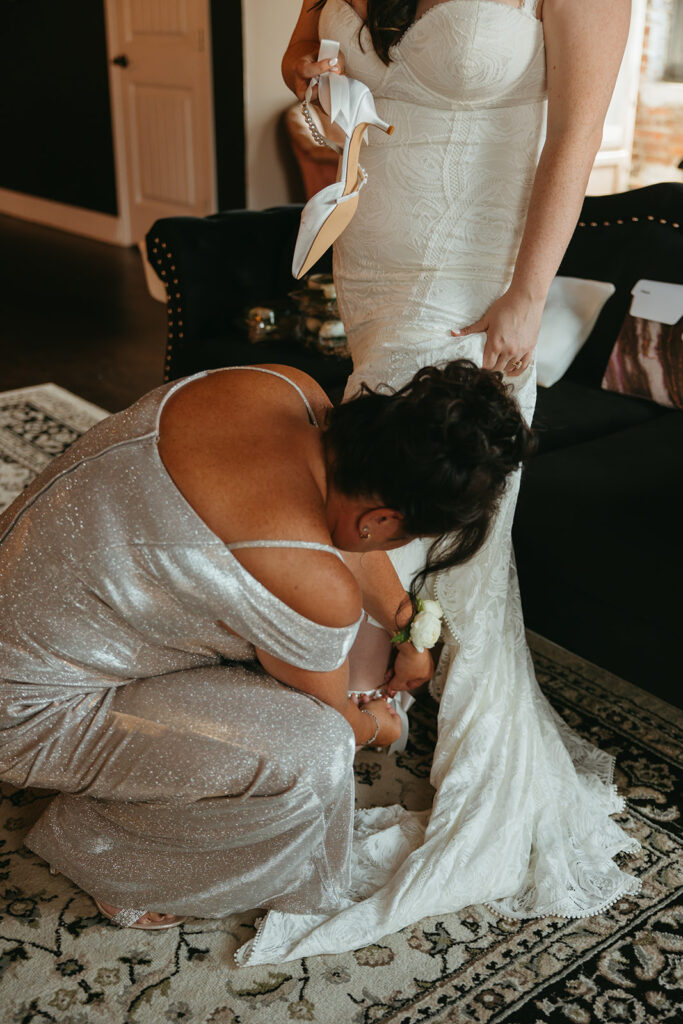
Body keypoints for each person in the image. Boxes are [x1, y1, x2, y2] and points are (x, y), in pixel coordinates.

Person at [259, 0, 641, 965]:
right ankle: (356, 723)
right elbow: (298, 67)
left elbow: (579, 132)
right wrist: (315, 94)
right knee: (363, 500)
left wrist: (528, 289)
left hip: (476, 276)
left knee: (416, 522)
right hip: (373, 251)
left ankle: (413, 738)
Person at [0, 361, 531, 932]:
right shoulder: (314, 584)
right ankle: (122, 862)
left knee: (303, 651)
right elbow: (341, 720)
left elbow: (332, 525)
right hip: (25, 712)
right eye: (407, 535)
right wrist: (383, 728)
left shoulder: (283, 387)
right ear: (381, 518)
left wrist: (408, 625)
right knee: (315, 753)